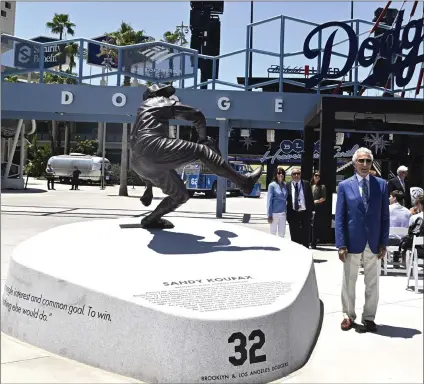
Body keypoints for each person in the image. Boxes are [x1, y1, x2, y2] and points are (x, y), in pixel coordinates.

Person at [130, 84, 263, 228]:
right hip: (153, 148)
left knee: (181, 196)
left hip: (138, 163)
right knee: (202, 151)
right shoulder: (156, 101)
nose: (167, 98)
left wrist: (148, 188)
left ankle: (151, 220)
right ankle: (244, 183)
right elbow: (197, 115)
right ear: (155, 95)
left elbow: (143, 156)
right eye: (164, 94)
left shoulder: (140, 116)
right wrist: (203, 139)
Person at [335, 147, 389, 333]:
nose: (365, 164)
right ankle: (348, 316)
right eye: (361, 161)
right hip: (351, 243)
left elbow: (384, 216)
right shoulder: (344, 186)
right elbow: (340, 217)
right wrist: (341, 244)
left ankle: (369, 318)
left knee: (372, 283)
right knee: (348, 282)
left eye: (368, 161)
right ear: (354, 163)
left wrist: (383, 242)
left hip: (373, 242)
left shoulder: (381, 185)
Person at [286, 167, 314, 248]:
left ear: (300, 175)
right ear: (291, 175)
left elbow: (310, 198)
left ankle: (305, 251)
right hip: (293, 213)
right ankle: (296, 252)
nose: (296, 175)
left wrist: (312, 211)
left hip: (305, 213)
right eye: (294, 174)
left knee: (306, 234)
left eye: (298, 173)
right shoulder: (288, 185)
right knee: (294, 235)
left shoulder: (306, 183)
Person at [388, 190, 411, 268]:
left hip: (389, 240)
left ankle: (381, 261)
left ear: (394, 198)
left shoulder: (387, 209)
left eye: (390, 196)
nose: (389, 198)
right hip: (403, 242)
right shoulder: (408, 212)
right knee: (399, 237)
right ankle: (396, 259)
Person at [267, 166, 288, 238]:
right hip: (274, 214)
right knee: (273, 234)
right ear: (276, 174)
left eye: (282, 173)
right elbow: (269, 201)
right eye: (279, 173)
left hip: (283, 213)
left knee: (282, 234)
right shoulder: (272, 185)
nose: (280, 174)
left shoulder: (285, 185)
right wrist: (269, 215)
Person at [310, 171, 326, 249]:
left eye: (318, 176)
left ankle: (314, 243)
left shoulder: (322, 186)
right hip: (310, 207)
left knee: (315, 226)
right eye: (316, 175)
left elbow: (323, 198)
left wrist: (316, 201)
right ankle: (309, 241)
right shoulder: (311, 185)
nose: (317, 177)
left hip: (317, 207)